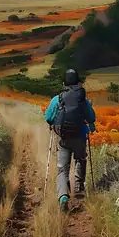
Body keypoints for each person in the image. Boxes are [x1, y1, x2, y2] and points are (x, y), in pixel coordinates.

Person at [44, 68, 96, 212]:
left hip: (64, 138)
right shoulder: (83, 99)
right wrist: (90, 127)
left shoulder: (58, 99)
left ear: (64, 84)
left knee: (62, 168)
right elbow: (91, 117)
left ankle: (63, 196)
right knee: (80, 158)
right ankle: (79, 187)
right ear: (78, 83)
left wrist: (53, 124)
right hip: (79, 136)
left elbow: (48, 117)